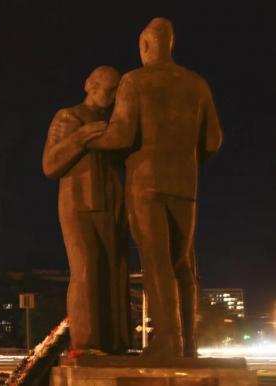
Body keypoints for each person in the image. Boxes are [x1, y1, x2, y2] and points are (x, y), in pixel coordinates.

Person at [87, 18, 223, 357]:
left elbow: (121, 135)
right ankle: (188, 344)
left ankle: (168, 341)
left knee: (156, 261)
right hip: (185, 184)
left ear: (146, 45)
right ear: (171, 44)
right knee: (183, 264)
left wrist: (85, 140)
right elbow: (214, 140)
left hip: (146, 183)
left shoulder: (135, 81)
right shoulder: (197, 84)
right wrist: (185, 157)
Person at [42, 66, 129, 354]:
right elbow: (50, 165)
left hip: (110, 206)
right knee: (87, 269)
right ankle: (87, 342)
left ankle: (115, 341)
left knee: (114, 271)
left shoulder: (115, 123)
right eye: (109, 88)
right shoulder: (69, 117)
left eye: (117, 89)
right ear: (90, 85)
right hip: (79, 204)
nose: (113, 95)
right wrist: (79, 138)